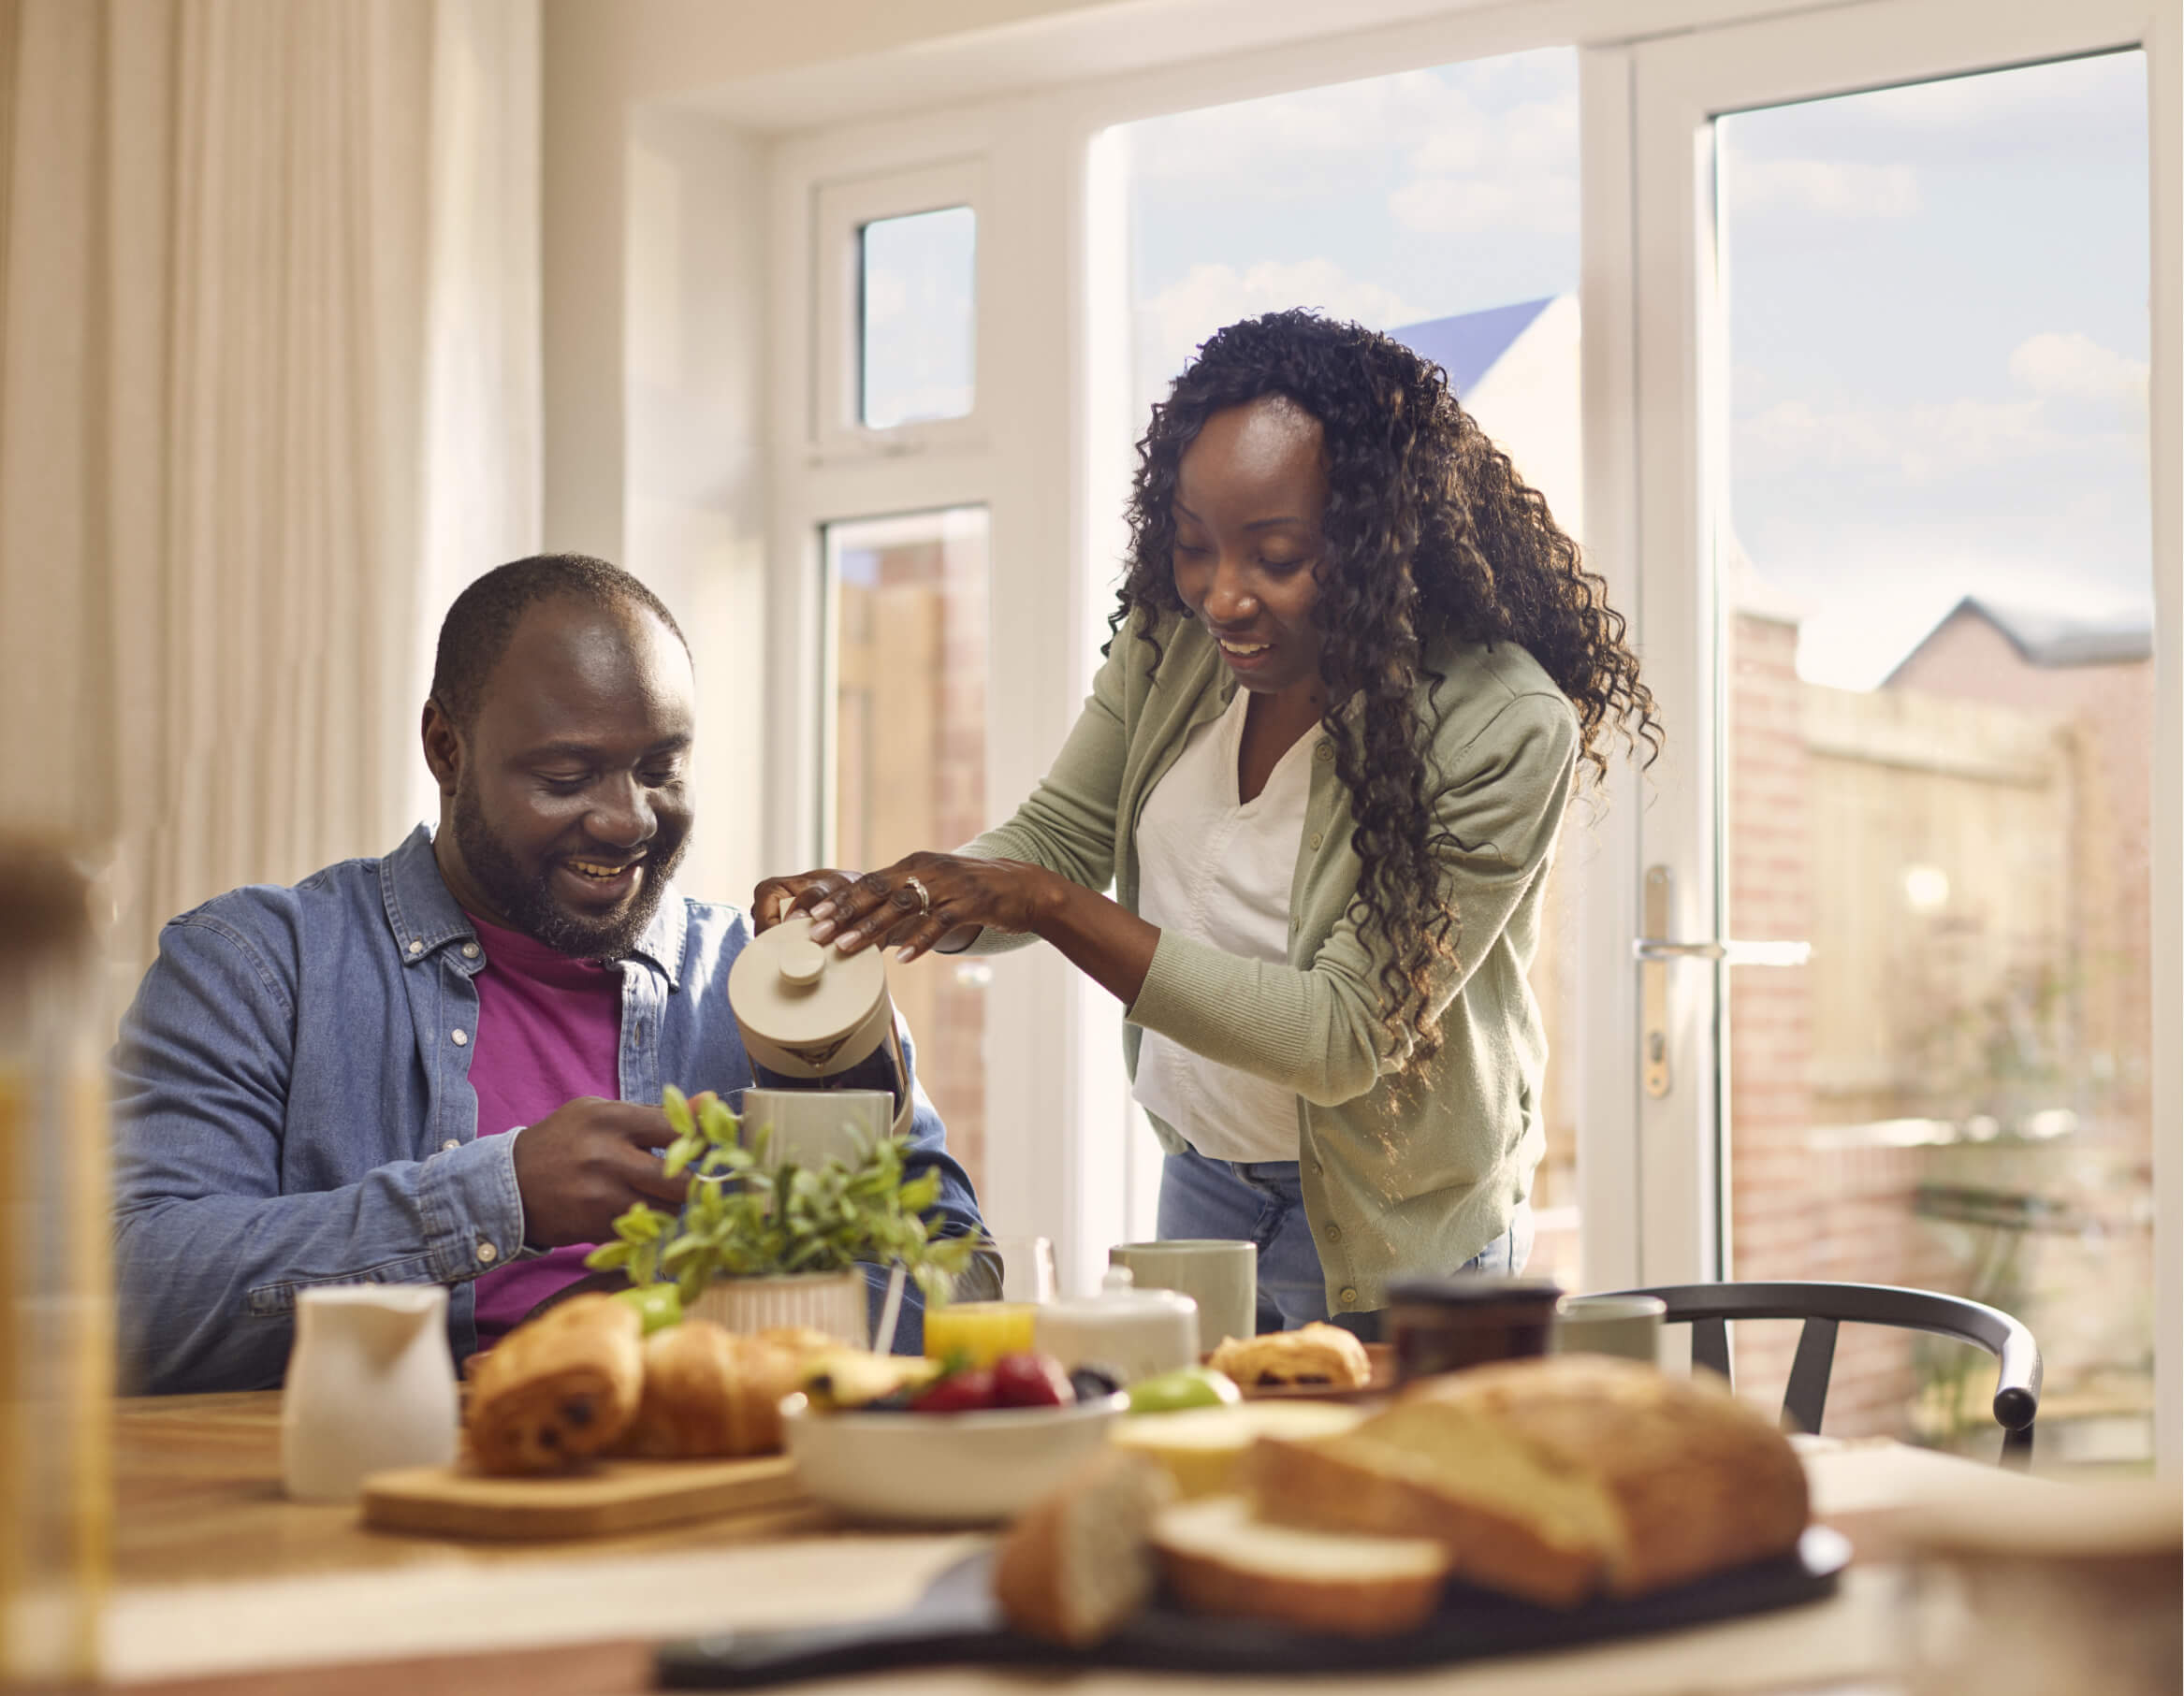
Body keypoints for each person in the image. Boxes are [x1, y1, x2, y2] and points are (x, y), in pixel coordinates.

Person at [758, 311, 1657, 1337]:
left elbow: (1343, 1035)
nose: (1222, 596)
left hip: (1398, 1229)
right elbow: (1058, 837)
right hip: (1202, 1190)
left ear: (1377, 543)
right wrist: (899, 898)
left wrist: (1049, 908)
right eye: (1195, 547)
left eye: (1276, 555)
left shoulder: (1497, 720)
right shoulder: (1174, 642)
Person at [113, 554, 983, 1394]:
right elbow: (132, 1295)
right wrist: (500, 1197)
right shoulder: (263, 965)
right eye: (567, 777)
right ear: (445, 747)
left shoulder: (771, 986)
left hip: (713, 1486)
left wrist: (665, 1324)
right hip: (368, 1501)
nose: (627, 819)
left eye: (661, 769)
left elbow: (961, 1280)